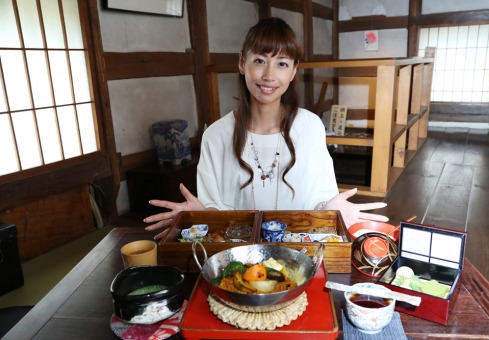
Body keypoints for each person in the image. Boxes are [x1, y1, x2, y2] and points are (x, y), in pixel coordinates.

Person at [144, 17, 388, 239]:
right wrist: (201, 214)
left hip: (300, 250)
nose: (269, 75)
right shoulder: (216, 135)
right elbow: (215, 213)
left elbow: (320, 201)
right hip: (238, 256)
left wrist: (332, 209)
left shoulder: (310, 127)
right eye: (260, 61)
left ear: (294, 71)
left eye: (282, 63)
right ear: (242, 63)